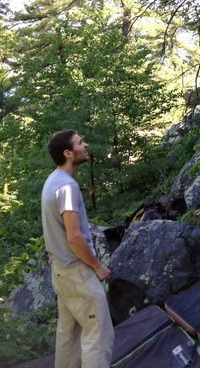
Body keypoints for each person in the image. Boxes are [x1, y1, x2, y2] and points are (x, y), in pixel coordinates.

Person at [41, 130, 114, 368]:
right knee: (98, 335)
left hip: (60, 272)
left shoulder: (52, 180)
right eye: (80, 143)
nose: (86, 145)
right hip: (77, 273)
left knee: (69, 335)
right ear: (68, 153)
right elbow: (73, 237)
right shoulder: (67, 188)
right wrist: (97, 265)